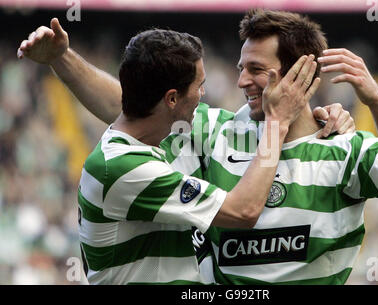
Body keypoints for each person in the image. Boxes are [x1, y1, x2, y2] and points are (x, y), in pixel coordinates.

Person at [18, 10, 378, 285]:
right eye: (240, 68)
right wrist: (63, 59)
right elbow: (138, 107)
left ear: (301, 73)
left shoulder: (346, 148)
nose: (241, 81)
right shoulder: (217, 133)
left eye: (257, 71)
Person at [38, 26, 321, 284]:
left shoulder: (149, 137)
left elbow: (119, 102)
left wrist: (61, 57)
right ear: (172, 99)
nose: (204, 93)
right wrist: (278, 123)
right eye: (199, 85)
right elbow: (243, 211)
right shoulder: (123, 167)